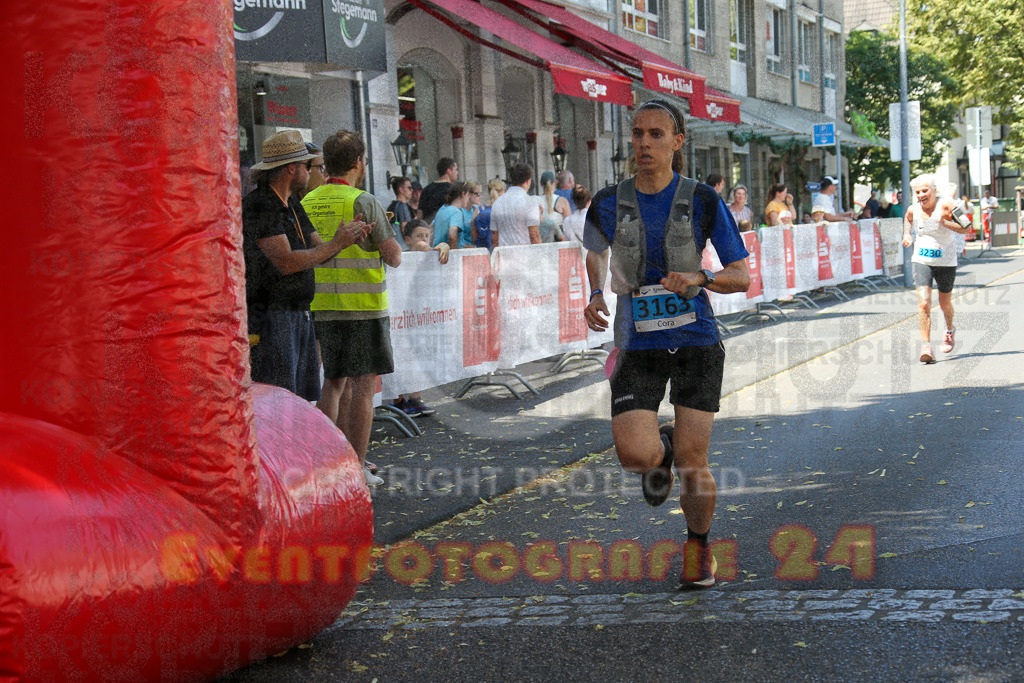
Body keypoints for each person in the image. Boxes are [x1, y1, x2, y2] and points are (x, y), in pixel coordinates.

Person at [583, 98, 750, 589]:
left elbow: (740, 276)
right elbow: (594, 250)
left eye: (656, 135)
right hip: (637, 343)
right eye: (637, 134)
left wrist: (700, 278)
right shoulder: (609, 201)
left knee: (695, 460)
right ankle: (660, 454)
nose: (644, 143)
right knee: (635, 455)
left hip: (696, 340)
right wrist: (595, 292)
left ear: (678, 142)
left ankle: (698, 548)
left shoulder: (701, 199)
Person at [301, 129, 402, 488]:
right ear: (359, 162)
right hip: (363, 306)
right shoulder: (364, 200)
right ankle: (356, 467)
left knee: (332, 383)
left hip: (321, 304)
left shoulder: (308, 201)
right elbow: (394, 257)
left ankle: (329, 462)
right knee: (363, 388)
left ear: (326, 164)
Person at [242, 130, 370, 402]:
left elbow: (319, 248)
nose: (315, 172)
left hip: (298, 313)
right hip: (272, 318)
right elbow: (287, 262)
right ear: (291, 169)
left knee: (299, 400)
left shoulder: (292, 203)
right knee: (280, 399)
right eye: (309, 166)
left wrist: (348, 238)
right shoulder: (261, 204)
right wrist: (337, 243)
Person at [901, 174, 972, 364]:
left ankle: (949, 330)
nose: (921, 195)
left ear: (934, 191)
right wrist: (907, 235)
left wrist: (945, 223)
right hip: (922, 260)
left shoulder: (947, 206)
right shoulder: (913, 209)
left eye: (925, 191)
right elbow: (907, 221)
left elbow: (967, 228)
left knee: (944, 304)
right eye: (918, 192)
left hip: (946, 262)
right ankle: (926, 346)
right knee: (924, 303)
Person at [389, 219, 449, 417]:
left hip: (419, 313)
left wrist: (443, 245)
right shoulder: (403, 256)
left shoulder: (429, 256)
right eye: (418, 236)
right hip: (400, 314)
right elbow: (423, 248)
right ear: (407, 239)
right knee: (400, 355)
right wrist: (435, 246)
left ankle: (415, 398)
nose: (423, 239)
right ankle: (398, 401)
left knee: (420, 354)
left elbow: (431, 249)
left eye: (427, 235)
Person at [490, 162, 542, 246]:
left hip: (504, 255)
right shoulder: (530, 202)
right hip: (525, 255)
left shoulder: (497, 202)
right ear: (528, 181)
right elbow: (534, 235)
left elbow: (495, 236)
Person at [431, 182, 473, 249]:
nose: (468, 199)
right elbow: (452, 233)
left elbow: (431, 229)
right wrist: (452, 252)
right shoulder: (456, 212)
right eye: (468, 195)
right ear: (463, 194)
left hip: (437, 251)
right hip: (447, 254)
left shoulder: (442, 209)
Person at [419, 157, 458, 223]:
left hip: (429, 229)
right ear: (448, 171)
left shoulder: (426, 189)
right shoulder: (453, 190)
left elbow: (420, 214)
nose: (457, 172)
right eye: (456, 169)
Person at [538, 170, 571, 242]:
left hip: (542, 241)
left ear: (541, 184)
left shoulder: (536, 201)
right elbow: (569, 225)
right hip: (559, 242)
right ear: (555, 182)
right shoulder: (562, 201)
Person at [473, 178, 506, 250]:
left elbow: (473, 234)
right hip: (501, 249)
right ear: (503, 191)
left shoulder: (479, 210)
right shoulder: (504, 209)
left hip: (483, 250)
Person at [387, 176, 415, 250]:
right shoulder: (402, 206)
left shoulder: (392, 206)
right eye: (409, 188)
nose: (412, 190)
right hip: (404, 248)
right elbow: (405, 228)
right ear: (401, 190)